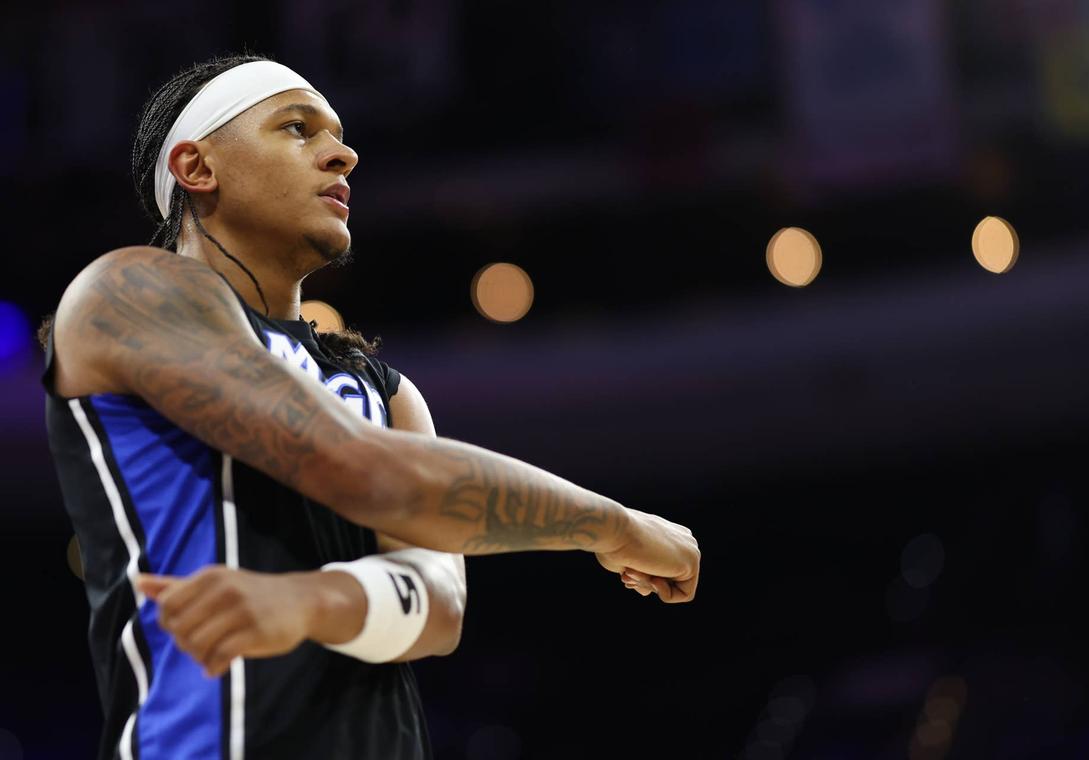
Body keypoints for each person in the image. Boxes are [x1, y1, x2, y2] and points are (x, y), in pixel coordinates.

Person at [41, 53, 700, 760]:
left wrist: (311, 603)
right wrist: (616, 526)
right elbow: (372, 477)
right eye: (297, 128)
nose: (344, 154)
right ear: (198, 168)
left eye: (339, 135)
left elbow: (440, 610)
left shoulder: (385, 391)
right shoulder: (130, 294)